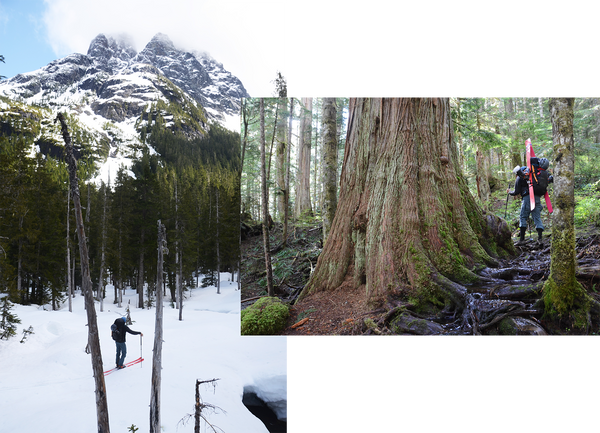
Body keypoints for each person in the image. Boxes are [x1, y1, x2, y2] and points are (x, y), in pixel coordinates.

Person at [507, 160, 553, 246]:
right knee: (537, 217)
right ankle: (540, 239)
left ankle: (522, 240)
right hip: (537, 198)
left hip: (527, 198)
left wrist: (509, 192)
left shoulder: (520, 177)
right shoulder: (534, 175)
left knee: (523, 217)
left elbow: (516, 191)